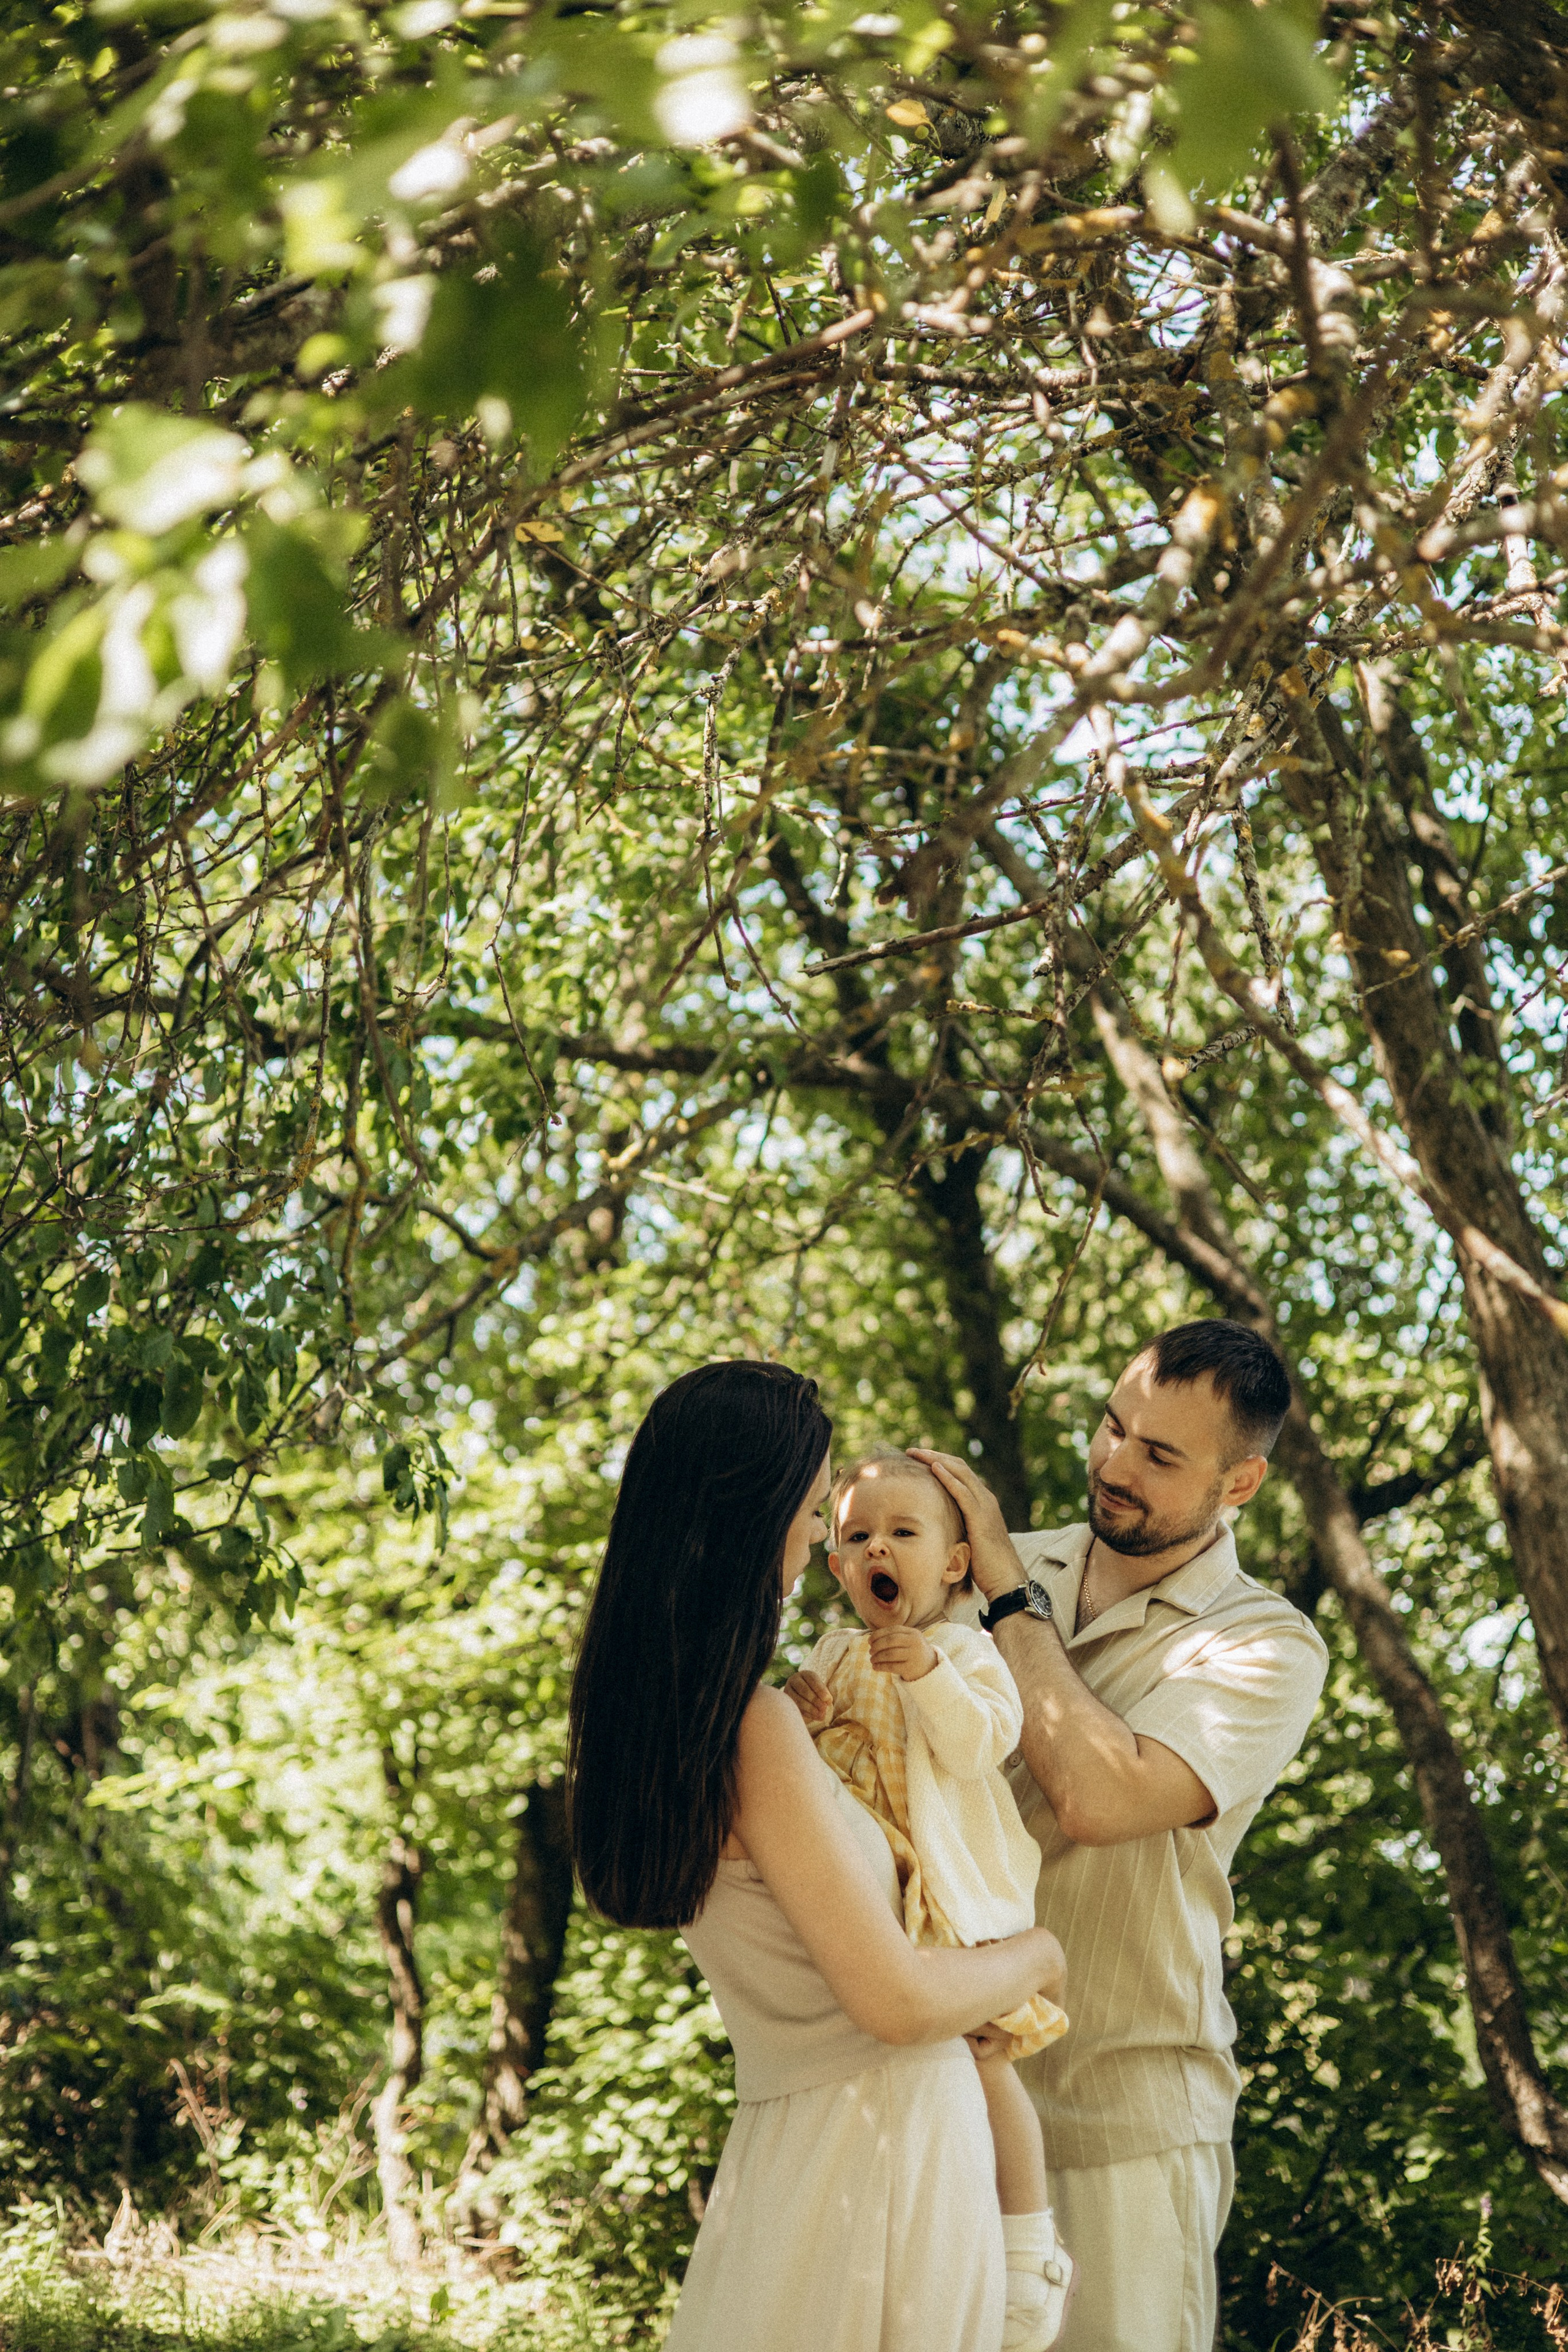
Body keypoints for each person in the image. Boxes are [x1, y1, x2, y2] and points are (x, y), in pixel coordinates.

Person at [567, 1360, 1067, 2352]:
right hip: (889, 2155)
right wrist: (1041, 1956)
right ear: (749, 1521)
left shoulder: (666, 1733)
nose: (817, 1540)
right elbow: (900, 2005)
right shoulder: (759, 1729)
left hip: (784, 2157)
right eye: (810, 1512)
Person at [912, 1319, 1329, 2352]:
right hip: (934, 2094)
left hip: (1123, 2131)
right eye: (1112, 1427)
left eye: (1160, 1455)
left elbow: (1100, 1799)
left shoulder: (1265, 1643)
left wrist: (1007, 1598)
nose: (1113, 1465)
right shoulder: (984, 1569)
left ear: (1240, 1484)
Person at [785, 1447, 1075, 2352]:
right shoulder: (832, 1653)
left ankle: (1028, 2248)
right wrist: (798, 1709)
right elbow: (810, 1775)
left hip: (949, 1893)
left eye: (903, 1533)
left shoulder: (965, 1651)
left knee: (986, 2063)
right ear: (839, 1568)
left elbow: (985, 1743)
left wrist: (928, 1675)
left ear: (953, 1564)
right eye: (857, 1537)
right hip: (876, 1894)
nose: (878, 1548)